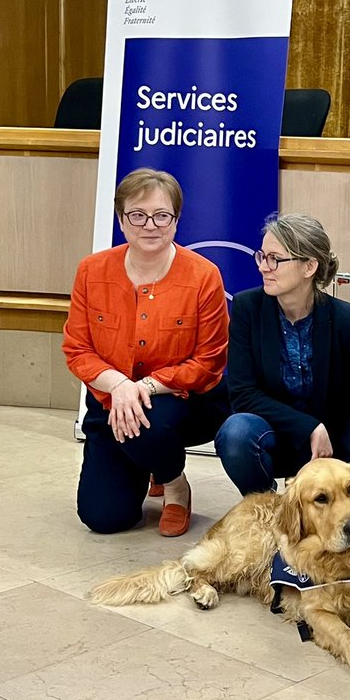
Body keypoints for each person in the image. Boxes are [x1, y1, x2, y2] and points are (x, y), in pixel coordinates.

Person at [214, 213, 350, 566]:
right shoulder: (248, 308)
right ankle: (272, 513)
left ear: (309, 266)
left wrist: (341, 469)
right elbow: (242, 393)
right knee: (236, 433)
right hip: (277, 440)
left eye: (275, 259)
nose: (264, 266)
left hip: (333, 452)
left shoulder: (345, 319)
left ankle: (322, 513)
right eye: (262, 256)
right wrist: (310, 427)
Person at [63, 168, 230, 537]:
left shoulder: (204, 276)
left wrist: (145, 387)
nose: (150, 225)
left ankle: (174, 484)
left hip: (182, 401)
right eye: (137, 215)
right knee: (104, 518)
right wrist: (120, 385)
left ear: (176, 220)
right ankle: (151, 461)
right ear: (121, 220)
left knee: (148, 423)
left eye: (161, 215)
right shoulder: (91, 271)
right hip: (111, 401)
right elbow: (77, 348)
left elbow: (209, 362)